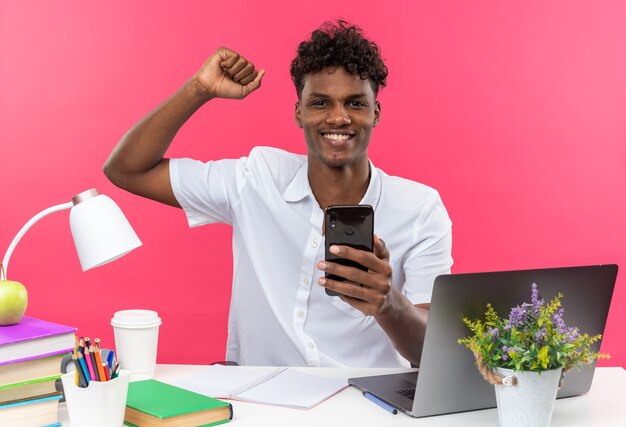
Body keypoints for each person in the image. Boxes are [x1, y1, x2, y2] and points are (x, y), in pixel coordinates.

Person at [104, 20, 452, 368]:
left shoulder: (420, 209)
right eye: (319, 103)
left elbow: (434, 354)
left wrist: (387, 302)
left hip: (366, 406)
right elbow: (127, 169)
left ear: (375, 113)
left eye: (355, 103)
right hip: (261, 401)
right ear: (299, 114)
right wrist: (199, 88)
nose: (338, 117)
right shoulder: (256, 177)